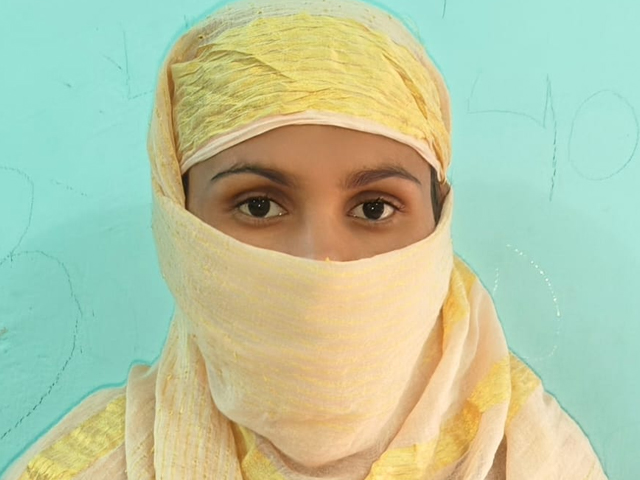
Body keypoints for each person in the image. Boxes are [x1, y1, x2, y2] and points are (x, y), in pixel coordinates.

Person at [3, 0, 607, 478]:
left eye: (374, 208)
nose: (321, 260)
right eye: (258, 206)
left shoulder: (529, 459)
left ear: (438, 217)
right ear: (178, 225)